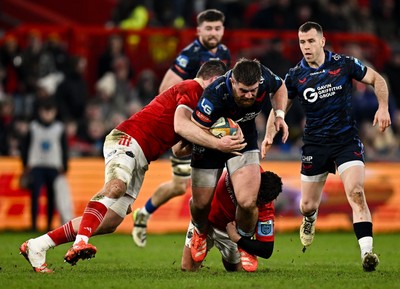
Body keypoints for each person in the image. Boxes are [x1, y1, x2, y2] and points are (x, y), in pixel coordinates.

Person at [19, 60, 245, 272]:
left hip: (142, 156)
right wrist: (217, 141)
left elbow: (178, 149)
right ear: (211, 78)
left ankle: (38, 245)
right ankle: (80, 242)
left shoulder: (198, 106)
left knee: (111, 221)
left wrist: (213, 141)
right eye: (220, 83)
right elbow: (180, 125)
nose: (221, 92)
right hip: (128, 138)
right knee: (116, 186)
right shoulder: (191, 88)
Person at [264, 21, 391, 272]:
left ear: (322, 41)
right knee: (307, 205)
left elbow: (378, 79)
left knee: (356, 192)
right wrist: (270, 134)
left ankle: (367, 253)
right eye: (302, 42)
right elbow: (279, 108)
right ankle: (310, 219)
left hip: (346, 141)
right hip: (315, 145)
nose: (306, 47)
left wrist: (384, 107)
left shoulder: (344, 64)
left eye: (311, 41)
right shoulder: (295, 76)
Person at [132, 8, 231, 247]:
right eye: (208, 29)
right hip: (189, 127)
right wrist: (185, 124)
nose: (213, 33)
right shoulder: (190, 55)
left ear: (223, 29)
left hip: (209, 124)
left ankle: (204, 232)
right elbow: (165, 88)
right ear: (198, 31)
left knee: (199, 183)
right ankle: (146, 214)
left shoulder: (225, 53)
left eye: (217, 28)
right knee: (182, 185)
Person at [182, 58, 289, 263]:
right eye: (243, 91)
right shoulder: (214, 94)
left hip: (244, 138)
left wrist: (280, 115)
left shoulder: (264, 76)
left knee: (248, 202)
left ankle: (244, 242)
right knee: (201, 203)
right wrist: (219, 143)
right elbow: (195, 130)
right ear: (232, 82)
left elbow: (281, 86)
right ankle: (199, 230)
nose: (249, 95)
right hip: (209, 141)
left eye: (253, 90)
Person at [181, 168, 282, 272]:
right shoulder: (245, 169)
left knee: (234, 270)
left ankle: (242, 245)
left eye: (260, 202)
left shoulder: (266, 208)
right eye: (257, 197)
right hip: (205, 219)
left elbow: (266, 250)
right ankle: (199, 231)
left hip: (229, 231)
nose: (256, 202)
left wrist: (238, 238)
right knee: (187, 268)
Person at [20, 98, 69, 232]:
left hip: (53, 167)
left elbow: (64, 148)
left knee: (52, 197)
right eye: (45, 111)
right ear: (40, 112)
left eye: (50, 111)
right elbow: (25, 147)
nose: (47, 114)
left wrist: (64, 166)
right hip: (36, 166)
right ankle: (34, 225)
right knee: (35, 196)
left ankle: (48, 225)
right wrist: (25, 164)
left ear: (54, 112)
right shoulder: (33, 127)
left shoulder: (59, 128)